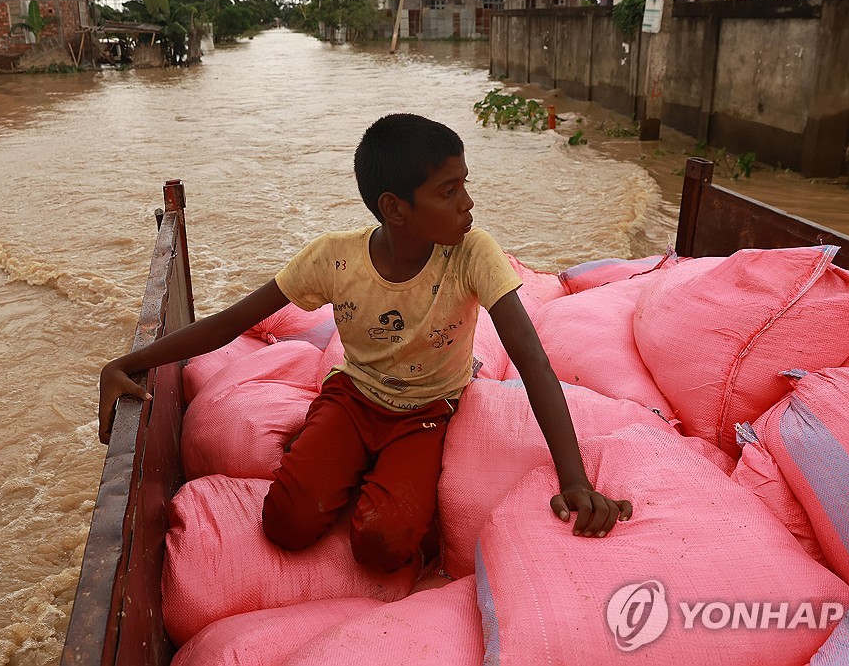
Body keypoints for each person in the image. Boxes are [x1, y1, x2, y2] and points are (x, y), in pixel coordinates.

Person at [98, 113, 632, 573]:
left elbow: (532, 359)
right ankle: (337, 459)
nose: (468, 204)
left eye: (464, 185)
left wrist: (575, 479)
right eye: (449, 191)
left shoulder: (473, 252)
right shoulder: (334, 258)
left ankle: (368, 477)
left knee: (381, 544)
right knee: (286, 524)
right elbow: (231, 323)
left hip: (427, 412)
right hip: (353, 399)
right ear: (396, 208)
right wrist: (128, 362)